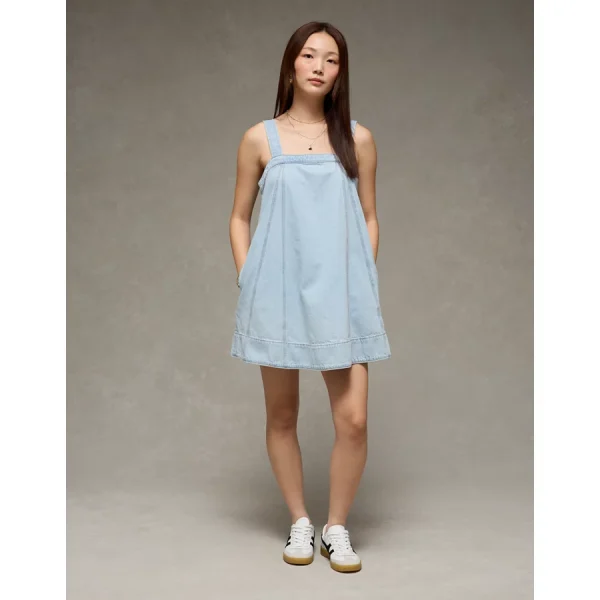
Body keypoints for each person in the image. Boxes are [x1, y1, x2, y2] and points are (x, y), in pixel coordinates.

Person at [228, 21, 391, 573]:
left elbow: (369, 216)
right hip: (276, 293)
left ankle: (335, 527)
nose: (319, 66)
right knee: (282, 414)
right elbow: (238, 217)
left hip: (341, 297)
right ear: (291, 64)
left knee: (354, 419)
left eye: (332, 59)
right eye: (309, 55)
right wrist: (249, 278)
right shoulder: (259, 139)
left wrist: (361, 279)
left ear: (341, 72)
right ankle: (300, 519)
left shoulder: (358, 140)